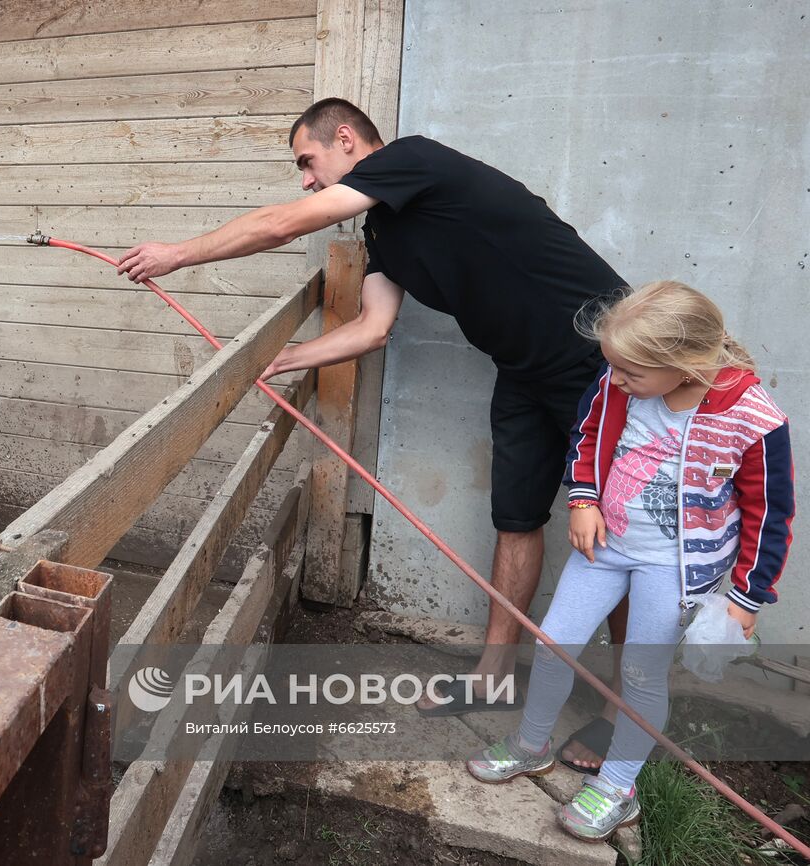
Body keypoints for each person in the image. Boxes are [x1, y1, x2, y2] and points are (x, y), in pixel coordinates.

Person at [117, 97, 630, 732]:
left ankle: (624, 709)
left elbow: (285, 224)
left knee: (617, 533)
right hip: (523, 371)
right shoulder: (382, 231)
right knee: (516, 519)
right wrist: (282, 358)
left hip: (605, 360)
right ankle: (494, 680)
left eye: (309, 161)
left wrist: (177, 255)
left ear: (346, 139)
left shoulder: (413, 158)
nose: (307, 179)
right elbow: (372, 328)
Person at [466, 280, 794, 842]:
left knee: (642, 673)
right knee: (553, 643)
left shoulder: (755, 419)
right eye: (613, 368)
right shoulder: (620, 381)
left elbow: (770, 514)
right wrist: (584, 498)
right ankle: (531, 744)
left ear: (686, 365)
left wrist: (747, 598)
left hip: (674, 569)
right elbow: (588, 435)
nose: (616, 381)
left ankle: (619, 786)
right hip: (606, 548)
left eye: (630, 374)